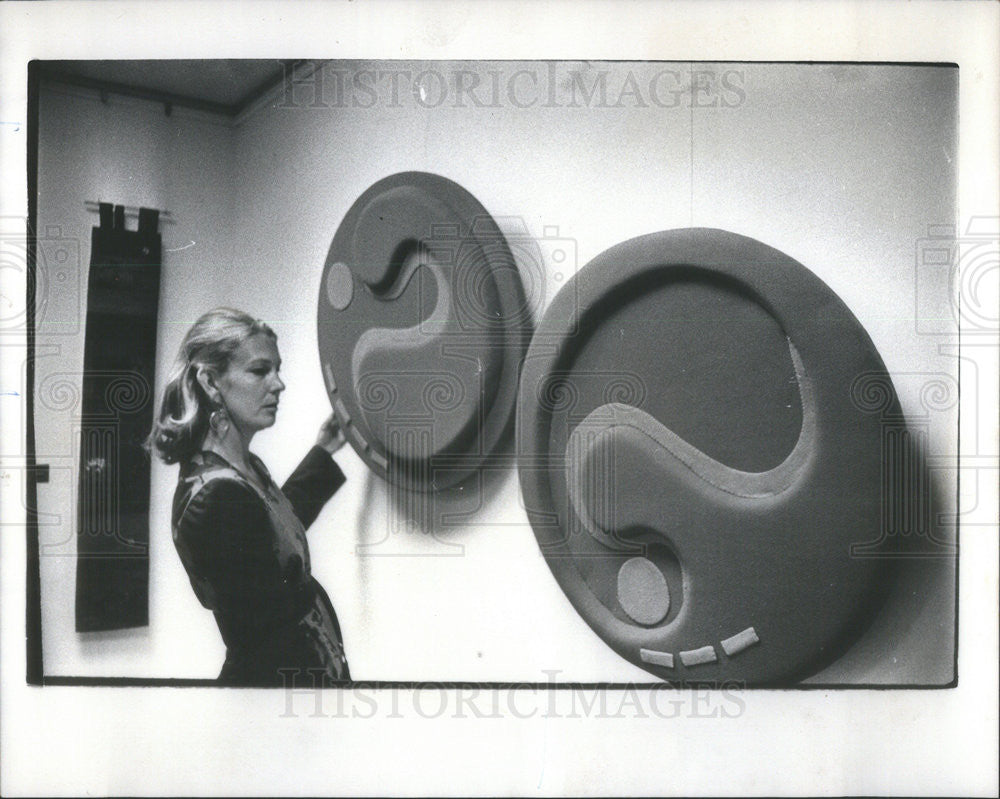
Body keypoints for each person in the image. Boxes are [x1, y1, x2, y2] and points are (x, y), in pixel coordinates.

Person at [148, 307, 350, 686]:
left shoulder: (241, 469)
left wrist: (323, 450)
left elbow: (273, 529)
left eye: (277, 369)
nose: (278, 384)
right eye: (260, 371)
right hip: (281, 695)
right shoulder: (214, 497)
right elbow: (268, 631)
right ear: (211, 382)